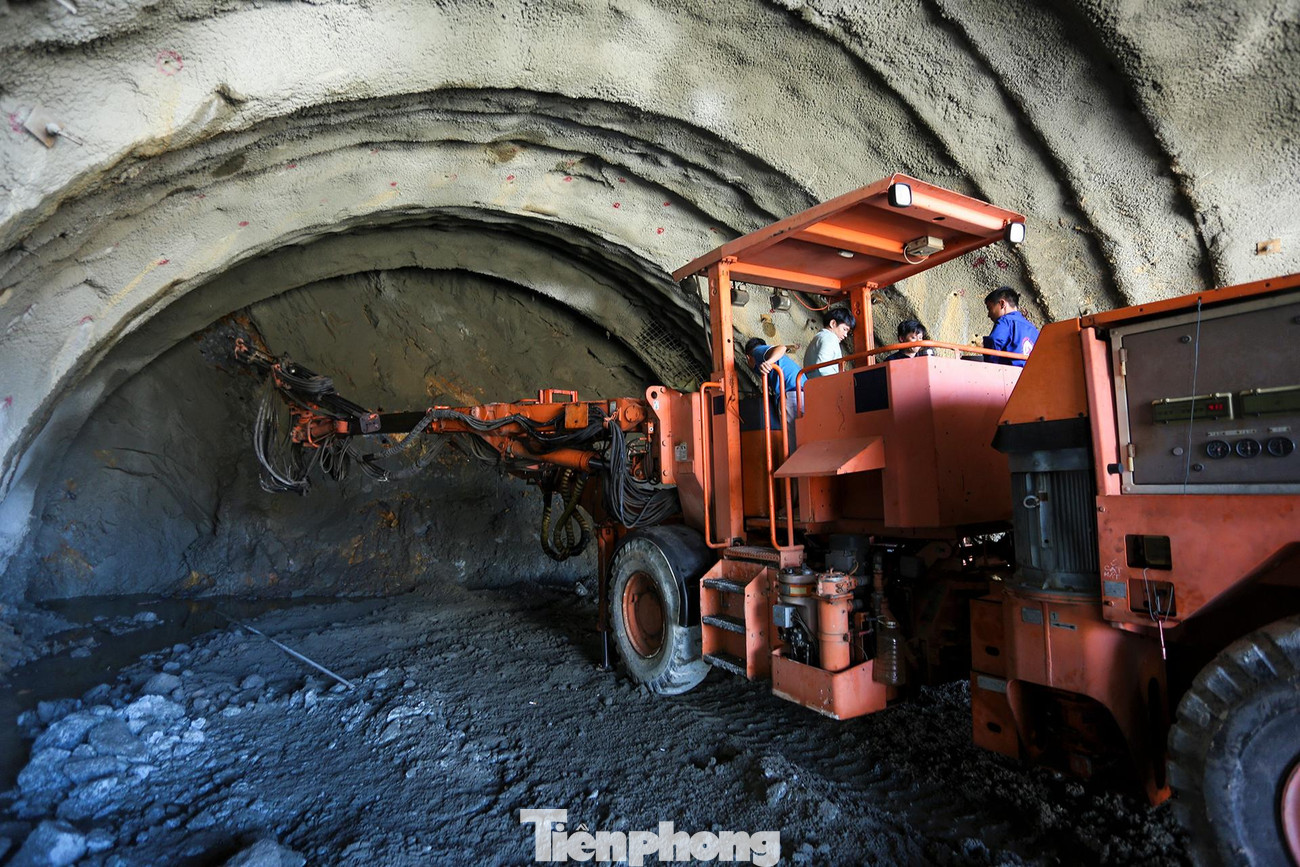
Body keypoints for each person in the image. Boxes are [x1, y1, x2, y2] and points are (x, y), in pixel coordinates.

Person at [745, 337, 805, 433]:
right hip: (802, 391)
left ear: (748, 357)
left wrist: (768, 363)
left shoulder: (757, 351)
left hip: (791, 393)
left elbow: (781, 348)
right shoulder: (781, 362)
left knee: (793, 439)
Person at [982, 286, 1039, 367]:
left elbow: (995, 340)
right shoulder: (1033, 329)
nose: (989, 314)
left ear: (1002, 304)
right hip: (1030, 374)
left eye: (989, 308)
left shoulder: (1005, 321)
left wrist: (991, 364)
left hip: (1010, 373)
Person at [803, 306, 856, 378]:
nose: (845, 335)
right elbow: (823, 366)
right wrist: (840, 381)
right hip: (823, 384)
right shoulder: (830, 338)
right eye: (844, 329)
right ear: (833, 323)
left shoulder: (820, 336)